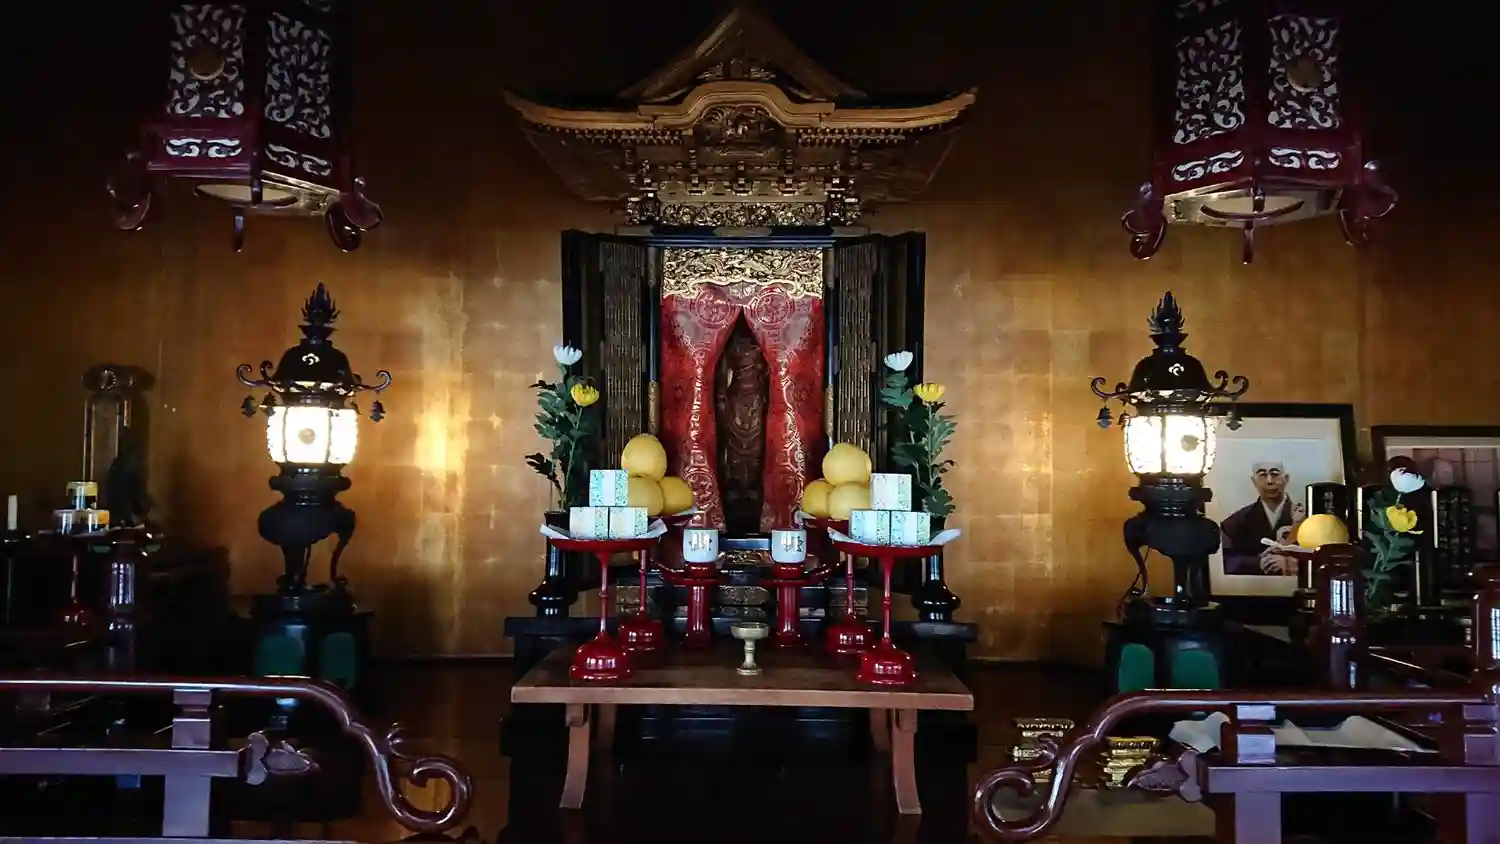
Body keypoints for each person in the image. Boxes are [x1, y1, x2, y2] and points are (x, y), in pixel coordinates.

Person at [1220, 460, 1305, 576]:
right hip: (1253, 585)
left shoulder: (1303, 517)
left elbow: (1319, 556)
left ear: (1286, 478)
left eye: (1275, 474)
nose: (1269, 481)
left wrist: (1288, 563)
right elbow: (1223, 560)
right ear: (1254, 481)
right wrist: (1258, 562)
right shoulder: (1238, 520)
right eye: (1262, 475)